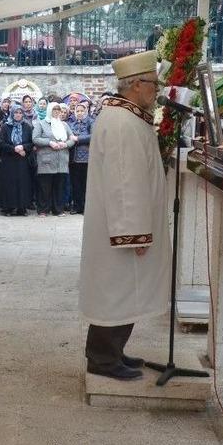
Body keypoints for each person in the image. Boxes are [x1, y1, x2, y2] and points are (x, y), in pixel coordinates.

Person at [79, 50, 170, 381]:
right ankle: (102, 358)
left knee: (123, 291)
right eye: (152, 84)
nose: (156, 90)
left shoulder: (128, 118)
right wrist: (134, 232)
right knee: (115, 291)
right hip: (120, 230)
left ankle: (112, 351)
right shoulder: (122, 123)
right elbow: (124, 184)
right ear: (135, 85)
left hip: (120, 227)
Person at [32, 102, 75, 216]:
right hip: (46, 160)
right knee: (45, 187)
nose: (56, 112)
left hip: (61, 159)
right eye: (54, 110)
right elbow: (35, 139)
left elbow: (72, 138)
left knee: (59, 186)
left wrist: (66, 144)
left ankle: (58, 210)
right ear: (49, 111)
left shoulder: (64, 125)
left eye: (58, 110)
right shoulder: (41, 124)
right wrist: (49, 142)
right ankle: (43, 210)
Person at [0, 105, 33, 216]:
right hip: (9, 159)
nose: (18, 115)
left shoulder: (27, 127)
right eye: (16, 112)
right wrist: (14, 149)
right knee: (9, 184)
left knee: (22, 184)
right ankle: (9, 208)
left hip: (22, 160)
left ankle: (22, 207)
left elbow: (31, 143)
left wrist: (23, 147)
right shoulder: (5, 126)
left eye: (20, 113)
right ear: (12, 113)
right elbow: (1, 143)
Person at [68, 102, 93, 215]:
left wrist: (78, 138)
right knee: (75, 183)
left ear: (86, 111)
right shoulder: (71, 123)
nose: (79, 113)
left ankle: (84, 207)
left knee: (85, 183)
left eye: (82, 111)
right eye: (77, 111)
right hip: (73, 157)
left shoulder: (90, 122)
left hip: (86, 157)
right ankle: (77, 206)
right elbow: (68, 135)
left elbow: (93, 136)